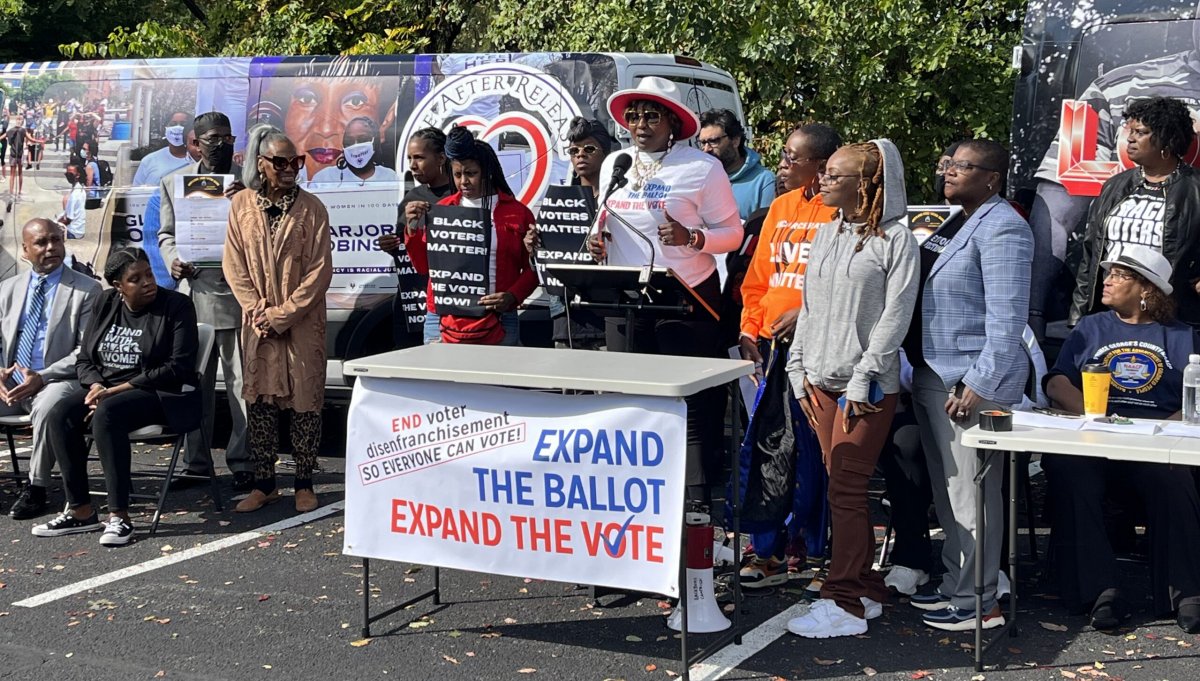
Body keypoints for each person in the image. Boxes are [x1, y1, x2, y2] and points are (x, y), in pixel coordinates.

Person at [782, 139, 918, 638]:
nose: (822, 182)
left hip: (866, 389)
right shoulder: (827, 233)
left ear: (866, 184)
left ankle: (844, 603)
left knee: (845, 486)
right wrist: (798, 372)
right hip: (817, 381)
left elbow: (895, 316)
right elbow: (809, 307)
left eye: (835, 175)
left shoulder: (897, 240)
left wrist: (865, 376)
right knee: (845, 490)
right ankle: (861, 584)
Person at [588, 77, 743, 495]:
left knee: (688, 407)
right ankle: (635, 492)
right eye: (633, 115)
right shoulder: (615, 164)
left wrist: (692, 239)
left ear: (673, 122)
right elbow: (608, 220)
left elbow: (733, 234)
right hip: (626, 300)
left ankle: (694, 504)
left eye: (651, 115)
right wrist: (597, 240)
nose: (640, 123)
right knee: (631, 400)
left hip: (686, 298)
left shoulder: (701, 167)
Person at [908, 139, 1032, 632]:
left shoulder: (1004, 227)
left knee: (973, 494)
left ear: (992, 178)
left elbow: (1007, 323)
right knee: (949, 492)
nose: (950, 172)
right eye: (949, 163)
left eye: (963, 166)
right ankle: (955, 584)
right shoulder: (959, 220)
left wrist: (978, 384)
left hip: (968, 382)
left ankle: (979, 600)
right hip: (933, 373)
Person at [1043, 245, 1200, 633]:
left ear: (1147, 289)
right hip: (1095, 437)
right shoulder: (1090, 327)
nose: (1107, 280)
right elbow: (1057, 380)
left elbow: (1195, 398)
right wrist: (1094, 414)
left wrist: (1168, 427)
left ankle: (1185, 593)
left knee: (1174, 476)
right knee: (1068, 469)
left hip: (1155, 441)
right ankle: (1100, 591)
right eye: (1108, 272)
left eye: (1119, 274)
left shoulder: (1183, 337)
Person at [32, 248, 201, 546]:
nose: (148, 282)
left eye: (148, 274)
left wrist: (116, 390)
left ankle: (120, 517)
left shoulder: (176, 305)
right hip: (106, 392)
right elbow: (85, 359)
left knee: (108, 413)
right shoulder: (106, 302)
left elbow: (178, 367)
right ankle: (80, 510)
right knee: (60, 413)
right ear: (118, 286)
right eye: (135, 279)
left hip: (160, 395)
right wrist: (96, 385)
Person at [736, 123, 841, 589]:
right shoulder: (780, 206)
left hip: (819, 350)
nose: (781, 164)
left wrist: (809, 310)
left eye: (790, 157)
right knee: (769, 449)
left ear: (821, 166)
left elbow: (845, 283)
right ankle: (768, 549)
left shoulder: (842, 212)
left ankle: (815, 552)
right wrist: (748, 327)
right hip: (772, 350)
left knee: (815, 456)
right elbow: (759, 278)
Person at [223, 125, 333, 514]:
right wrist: (257, 310)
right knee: (261, 403)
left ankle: (304, 481)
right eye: (281, 162)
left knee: (305, 401)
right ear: (261, 164)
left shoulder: (313, 209)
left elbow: (320, 271)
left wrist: (282, 315)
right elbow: (234, 264)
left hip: (301, 324)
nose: (290, 169)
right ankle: (264, 483)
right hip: (257, 324)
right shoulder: (241, 207)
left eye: (296, 162)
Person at [158, 111, 252, 490]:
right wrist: (172, 261)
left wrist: (246, 197)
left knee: (241, 386)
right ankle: (196, 463)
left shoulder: (250, 181)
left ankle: (243, 462)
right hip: (194, 296)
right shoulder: (174, 183)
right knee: (194, 385)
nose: (222, 144)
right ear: (195, 143)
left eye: (228, 137)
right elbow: (166, 234)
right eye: (213, 138)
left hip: (241, 294)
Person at [0, 219, 100, 520]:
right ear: (25, 250)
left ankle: (36, 487)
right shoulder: (7, 289)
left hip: (58, 378)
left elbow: (86, 351)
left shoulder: (87, 290)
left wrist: (42, 376)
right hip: (13, 381)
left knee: (47, 405)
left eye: (56, 240)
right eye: (42, 243)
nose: (51, 248)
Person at [1071, 96, 1200, 328]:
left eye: (1140, 132)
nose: (1129, 139)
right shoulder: (1115, 185)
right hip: (1109, 316)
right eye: (1129, 131)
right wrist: (1079, 318)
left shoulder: (1195, 190)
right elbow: (1091, 255)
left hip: (1171, 320)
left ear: (1167, 140)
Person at [405, 126, 538, 346]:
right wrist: (412, 228)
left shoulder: (518, 213)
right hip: (442, 319)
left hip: (500, 319)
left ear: (488, 172)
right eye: (457, 174)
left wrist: (513, 296)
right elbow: (423, 267)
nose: (463, 181)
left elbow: (534, 269)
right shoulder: (442, 209)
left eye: (471, 173)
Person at [525, 117, 615, 349]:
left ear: (606, 152)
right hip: (565, 314)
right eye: (574, 150)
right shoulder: (558, 202)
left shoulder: (619, 200)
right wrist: (533, 248)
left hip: (609, 311)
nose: (580, 155)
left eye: (589, 149)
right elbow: (543, 265)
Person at [377, 127, 454, 348]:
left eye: (419, 157)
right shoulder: (412, 197)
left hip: (450, 300)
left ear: (441, 157)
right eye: (410, 158)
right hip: (412, 300)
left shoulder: (460, 195)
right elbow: (404, 248)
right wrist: (390, 244)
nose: (412, 165)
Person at [699, 108, 776, 221]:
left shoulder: (764, 181)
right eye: (702, 143)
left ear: (735, 140)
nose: (706, 149)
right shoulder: (699, 180)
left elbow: (766, 231)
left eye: (714, 141)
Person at [309, 116, 399, 187]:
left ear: (374, 142)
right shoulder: (324, 179)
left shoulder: (390, 177)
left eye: (363, 140)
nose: (356, 146)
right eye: (349, 141)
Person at [132, 111, 194, 187]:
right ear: (166, 128)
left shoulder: (197, 159)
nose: (178, 128)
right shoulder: (149, 160)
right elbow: (136, 192)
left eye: (183, 124)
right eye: (173, 124)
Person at [57, 163, 88, 240]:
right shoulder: (80, 188)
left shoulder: (75, 195)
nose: (68, 175)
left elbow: (68, 219)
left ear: (78, 175)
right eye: (67, 173)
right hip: (79, 229)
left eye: (70, 173)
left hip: (73, 231)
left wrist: (54, 225)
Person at [7, 119, 25, 198]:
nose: (18, 121)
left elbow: (30, 138)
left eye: (19, 119)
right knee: (13, 174)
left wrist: (38, 141)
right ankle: (12, 192)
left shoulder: (22, 130)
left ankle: (19, 191)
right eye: (17, 119)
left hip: (19, 155)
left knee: (19, 173)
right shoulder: (11, 131)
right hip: (14, 155)